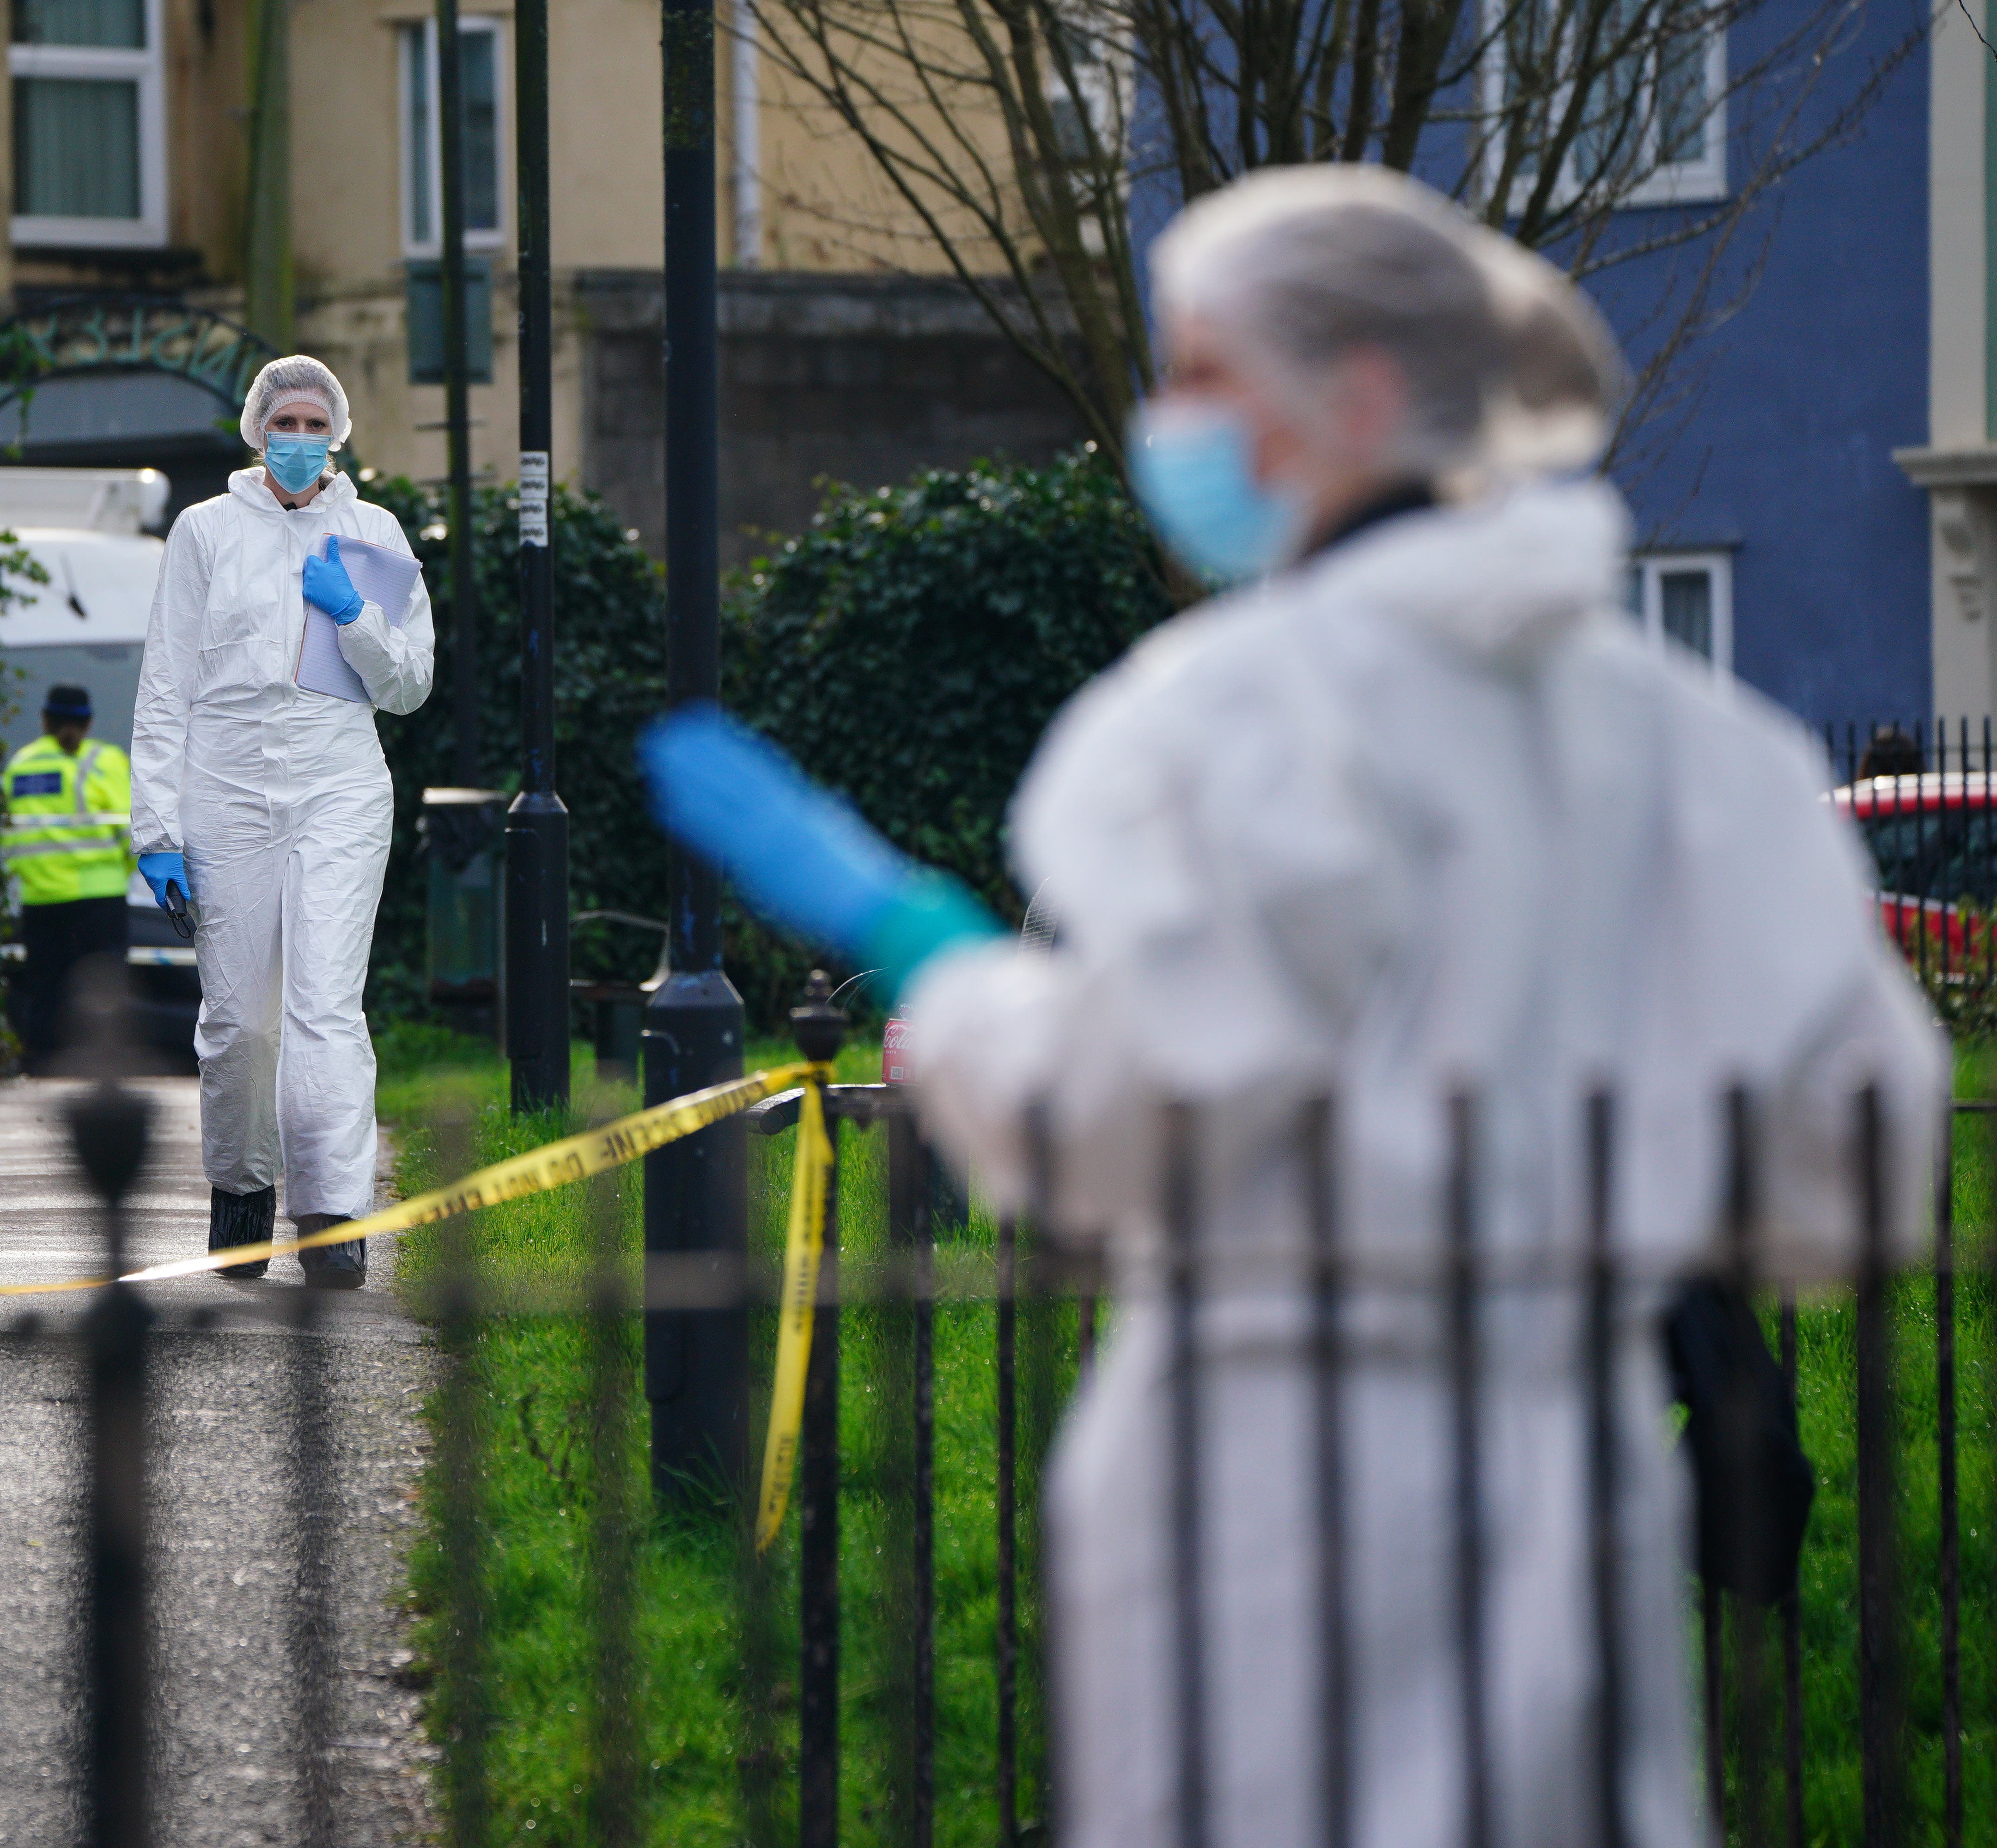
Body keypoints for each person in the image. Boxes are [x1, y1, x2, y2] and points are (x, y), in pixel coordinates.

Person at [642, 166, 1944, 1848]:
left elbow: (1109, 1128)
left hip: (1264, 1496)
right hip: (1580, 1475)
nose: (1160, 418)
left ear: (1364, 395)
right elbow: (1859, 1164)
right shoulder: (1692, 747)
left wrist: (936, 954)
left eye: (1196, 370)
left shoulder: (1244, 715)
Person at [131, 355, 434, 1289]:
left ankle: (334, 1209)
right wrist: (157, 829)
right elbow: (166, 685)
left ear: (338, 434)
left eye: (314, 424)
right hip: (224, 786)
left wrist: (356, 619)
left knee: (323, 1007)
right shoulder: (205, 531)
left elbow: (411, 685)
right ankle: (242, 1185)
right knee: (238, 1020)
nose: (298, 440)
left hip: (338, 777)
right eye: (284, 422)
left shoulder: (374, 533)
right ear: (257, 430)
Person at [3, 683, 133, 1070]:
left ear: (44, 719)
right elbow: (131, 830)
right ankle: (102, 1067)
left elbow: (9, 837)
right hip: (100, 897)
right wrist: (121, 872)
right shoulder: (104, 761)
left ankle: (41, 1065)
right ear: (89, 722)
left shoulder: (21, 764)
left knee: (44, 987)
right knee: (103, 987)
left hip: (41, 898)